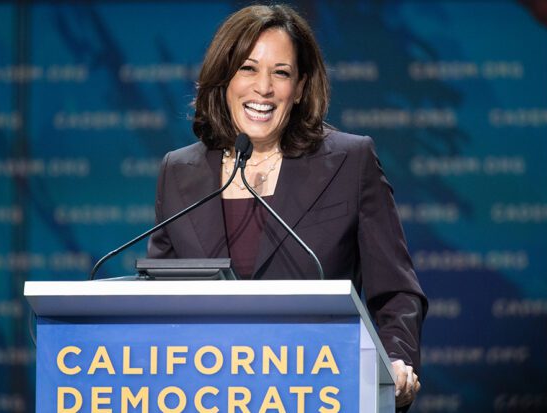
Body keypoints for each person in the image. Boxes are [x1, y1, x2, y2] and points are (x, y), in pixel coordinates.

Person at [148, 4, 428, 410]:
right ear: (223, 79)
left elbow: (396, 292)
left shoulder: (349, 161)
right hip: (205, 396)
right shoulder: (179, 172)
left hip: (320, 392)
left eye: (280, 72)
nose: (263, 88)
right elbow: (156, 302)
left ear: (299, 88)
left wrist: (395, 363)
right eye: (247, 68)